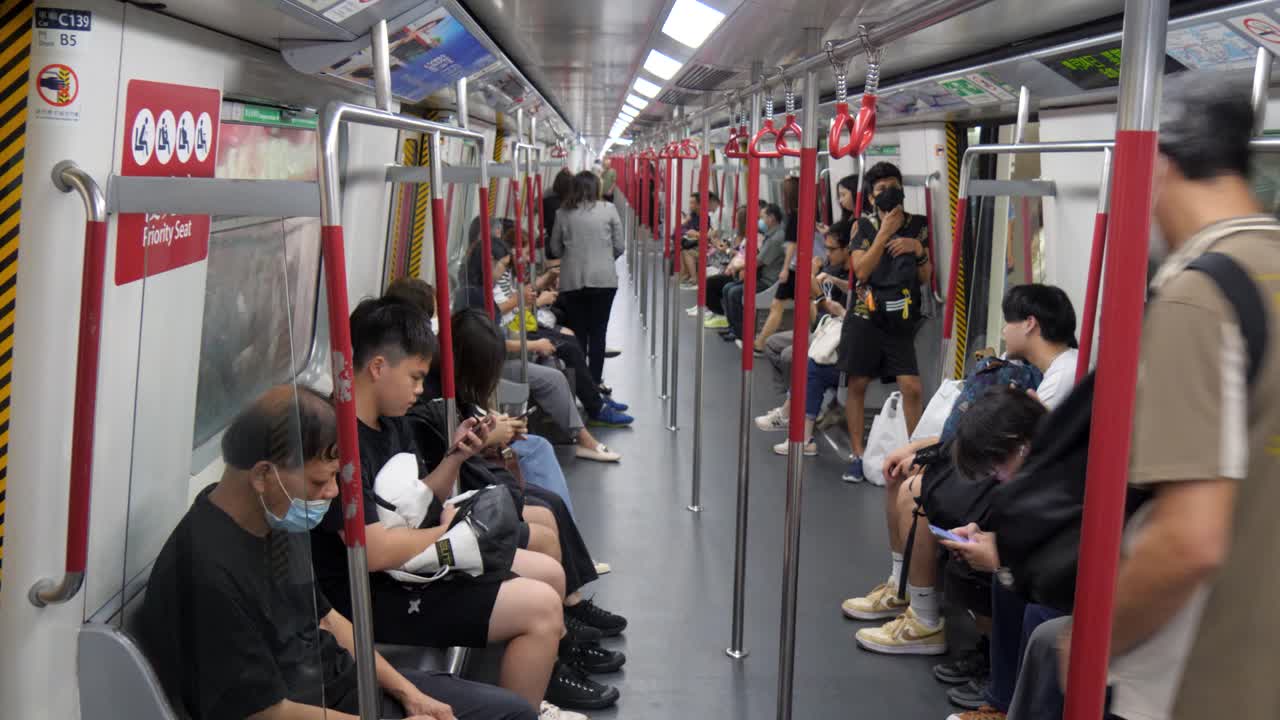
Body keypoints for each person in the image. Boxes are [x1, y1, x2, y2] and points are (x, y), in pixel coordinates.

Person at [1067, 76, 1280, 720]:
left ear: (1157, 165)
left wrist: (1091, 642)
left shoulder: (1199, 293)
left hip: (1202, 676)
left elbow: (1190, 541)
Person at [137, 384, 539, 720]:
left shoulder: (272, 522)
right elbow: (265, 712)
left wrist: (407, 691)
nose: (331, 495)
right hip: (310, 710)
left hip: (346, 689)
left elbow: (327, 620)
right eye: (319, 482)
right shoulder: (209, 574)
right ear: (262, 475)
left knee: (513, 712)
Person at [308, 296, 614, 712]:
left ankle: (536, 684)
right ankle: (522, 708)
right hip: (370, 594)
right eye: (415, 378)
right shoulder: (341, 442)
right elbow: (373, 552)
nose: (420, 390)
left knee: (547, 571)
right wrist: (453, 531)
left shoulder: (390, 422)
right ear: (378, 367)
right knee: (541, 607)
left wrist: (455, 458)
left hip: (411, 565)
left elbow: (415, 501)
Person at [845, 283, 1077, 658]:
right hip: (1021, 479)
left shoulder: (1063, 376)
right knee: (906, 478)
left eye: (1009, 322)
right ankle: (902, 587)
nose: (1003, 331)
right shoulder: (1039, 371)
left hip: (1033, 490)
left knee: (919, 490)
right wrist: (918, 447)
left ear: (1030, 324)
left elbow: (1014, 445)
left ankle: (923, 618)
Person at [839, 161, 933, 483]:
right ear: (870, 198)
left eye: (893, 186)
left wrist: (917, 248)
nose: (889, 193)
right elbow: (861, 271)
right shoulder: (861, 228)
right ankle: (857, 454)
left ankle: (910, 455)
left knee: (912, 387)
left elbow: (924, 276)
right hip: (866, 316)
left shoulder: (918, 226)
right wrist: (884, 234)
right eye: (881, 189)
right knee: (858, 384)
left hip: (901, 315)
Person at [762, 220, 854, 453]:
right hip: (826, 331)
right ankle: (793, 405)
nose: (827, 254)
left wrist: (816, 290)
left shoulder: (855, 276)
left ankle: (794, 412)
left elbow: (832, 314)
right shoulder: (832, 271)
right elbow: (817, 317)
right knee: (773, 345)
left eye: (833, 249)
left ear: (847, 249)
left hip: (839, 336)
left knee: (797, 357)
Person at [548, 171, 625, 392]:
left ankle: (581, 387)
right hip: (604, 280)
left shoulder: (562, 213)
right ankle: (596, 381)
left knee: (579, 333)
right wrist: (604, 259)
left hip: (573, 282)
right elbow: (620, 246)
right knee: (599, 332)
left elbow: (555, 249)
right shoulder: (609, 210)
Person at [711, 204, 787, 344]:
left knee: (734, 292)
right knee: (727, 288)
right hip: (762, 277)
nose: (760, 220)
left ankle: (741, 334)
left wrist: (739, 266)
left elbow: (758, 262)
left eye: (762, 217)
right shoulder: (771, 235)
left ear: (771, 218)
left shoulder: (776, 239)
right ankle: (733, 328)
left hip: (768, 282)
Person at [544, 170, 574, 242]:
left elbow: (543, 223)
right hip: (566, 241)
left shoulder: (547, 200)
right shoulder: (571, 204)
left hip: (551, 237)